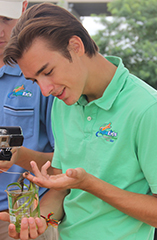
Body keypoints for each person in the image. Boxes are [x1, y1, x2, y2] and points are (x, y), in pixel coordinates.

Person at [2, 2, 157, 240]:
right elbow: (63, 188)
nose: (44, 90)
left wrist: (90, 184)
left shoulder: (149, 110)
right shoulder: (64, 104)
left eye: (48, 71)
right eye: (34, 80)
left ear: (76, 45)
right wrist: (39, 219)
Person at [0, 1, 58, 240]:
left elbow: (68, 162)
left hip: (25, 219)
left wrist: (17, 154)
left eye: (5, 20)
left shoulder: (41, 76)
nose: (0, 32)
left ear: (23, 8)